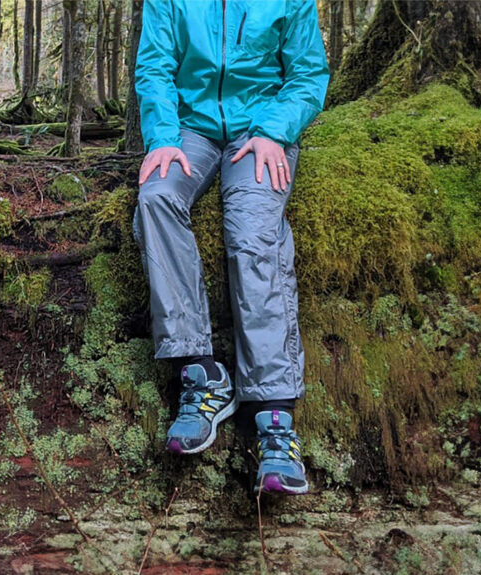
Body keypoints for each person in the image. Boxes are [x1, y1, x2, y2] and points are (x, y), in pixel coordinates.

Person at [132, 0, 330, 495]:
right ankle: (201, 372)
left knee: (252, 232)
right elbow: (154, 66)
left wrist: (273, 131)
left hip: (259, 133)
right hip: (190, 132)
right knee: (155, 199)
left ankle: (275, 420)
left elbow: (308, 74)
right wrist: (160, 136)